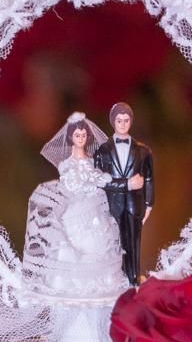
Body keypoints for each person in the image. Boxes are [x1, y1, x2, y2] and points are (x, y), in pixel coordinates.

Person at [23, 111, 125, 298]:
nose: (81, 138)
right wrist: (88, 181)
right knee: (76, 240)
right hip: (76, 204)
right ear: (71, 137)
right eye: (77, 135)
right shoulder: (67, 164)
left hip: (94, 202)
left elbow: (95, 177)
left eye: (84, 135)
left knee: (102, 237)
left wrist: (101, 179)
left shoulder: (91, 159)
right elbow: (72, 183)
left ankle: (102, 279)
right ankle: (77, 279)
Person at [93, 100, 155, 285]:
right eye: (119, 120)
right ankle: (115, 278)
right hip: (112, 205)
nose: (122, 124)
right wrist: (127, 184)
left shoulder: (143, 151)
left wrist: (149, 203)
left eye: (126, 120)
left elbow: (149, 179)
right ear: (113, 122)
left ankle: (133, 278)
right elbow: (99, 181)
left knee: (134, 242)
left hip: (134, 204)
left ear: (131, 121)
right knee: (114, 243)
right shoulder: (102, 151)